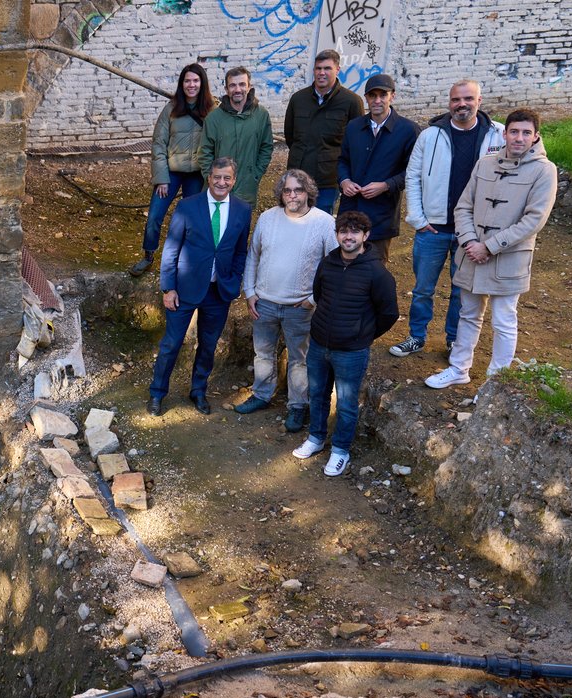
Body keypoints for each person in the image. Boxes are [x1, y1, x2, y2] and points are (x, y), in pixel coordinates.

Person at [425, 108, 557, 389]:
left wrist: (491, 246)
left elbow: (534, 220)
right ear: (505, 133)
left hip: (508, 259)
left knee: (503, 320)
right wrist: (471, 242)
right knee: (468, 313)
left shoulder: (544, 171)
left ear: (535, 137)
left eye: (525, 133)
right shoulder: (485, 164)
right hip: (472, 254)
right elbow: (463, 206)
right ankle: (459, 368)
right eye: (514, 131)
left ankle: (495, 384)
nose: (519, 138)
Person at [389, 79, 505, 358]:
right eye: (455, 100)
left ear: (479, 101)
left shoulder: (497, 135)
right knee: (422, 289)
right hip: (433, 229)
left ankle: (453, 339)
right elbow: (413, 176)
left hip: (472, 232)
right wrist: (417, 218)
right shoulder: (430, 136)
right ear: (449, 103)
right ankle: (416, 336)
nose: (461, 104)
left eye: (468, 99)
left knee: (460, 290)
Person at [292, 211, 398, 476]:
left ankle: (340, 450)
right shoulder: (328, 263)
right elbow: (318, 293)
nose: (348, 236)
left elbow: (389, 313)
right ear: (337, 234)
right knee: (317, 395)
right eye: (343, 231)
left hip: (351, 351)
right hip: (318, 344)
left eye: (354, 231)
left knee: (347, 404)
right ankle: (316, 439)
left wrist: (362, 335)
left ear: (366, 235)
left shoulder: (377, 272)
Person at [234, 169, 337, 432]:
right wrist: (250, 292)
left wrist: (313, 299)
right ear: (281, 193)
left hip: (299, 307)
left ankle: (297, 406)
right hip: (264, 303)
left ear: (308, 192)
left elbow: (334, 266)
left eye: (298, 190)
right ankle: (261, 395)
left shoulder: (324, 222)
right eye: (287, 190)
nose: (292, 195)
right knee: (263, 353)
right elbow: (253, 256)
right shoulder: (268, 218)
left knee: (299, 359)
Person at [147, 158, 251, 416]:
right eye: (217, 177)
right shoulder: (187, 206)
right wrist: (168, 288)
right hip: (185, 288)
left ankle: (198, 391)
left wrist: (235, 278)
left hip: (219, 291)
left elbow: (240, 251)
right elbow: (171, 248)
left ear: (233, 180)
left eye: (227, 178)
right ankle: (157, 393)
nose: (221, 182)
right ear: (209, 177)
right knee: (171, 344)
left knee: (208, 345)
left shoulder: (242, 209)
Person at [129, 64, 215, 278]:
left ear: (202, 83)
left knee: (191, 219)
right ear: (182, 83)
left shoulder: (212, 110)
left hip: (196, 173)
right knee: (155, 215)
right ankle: (148, 256)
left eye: (196, 81)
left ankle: (186, 260)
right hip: (172, 172)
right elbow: (159, 143)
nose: (191, 85)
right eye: (187, 81)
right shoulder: (171, 108)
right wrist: (161, 178)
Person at [336, 73, 419, 265]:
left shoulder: (408, 130)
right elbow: (342, 160)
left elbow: (413, 172)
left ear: (393, 96)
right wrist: (344, 180)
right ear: (366, 98)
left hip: (382, 213)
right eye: (372, 96)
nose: (377, 100)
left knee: (374, 266)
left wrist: (386, 185)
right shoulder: (353, 127)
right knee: (346, 262)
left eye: (383, 95)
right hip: (351, 208)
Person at [283, 49, 363, 214]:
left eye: (327, 68)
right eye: (318, 68)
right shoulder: (298, 99)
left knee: (321, 223)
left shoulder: (351, 102)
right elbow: (290, 136)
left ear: (338, 70)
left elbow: (356, 143)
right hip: (297, 176)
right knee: (294, 219)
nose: (321, 73)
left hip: (328, 179)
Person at [198, 66, 274, 207]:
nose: (237, 89)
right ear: (227, 89)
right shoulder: (214, 118)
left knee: (242, 226)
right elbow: (204, 152)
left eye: (242, 84)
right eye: (232, 85)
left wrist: (255, 175)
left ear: (249, 86)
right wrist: (213, 179)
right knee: (216, 226)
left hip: (247, 188)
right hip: (218, 189)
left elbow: (266, 147)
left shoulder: (261, 115)